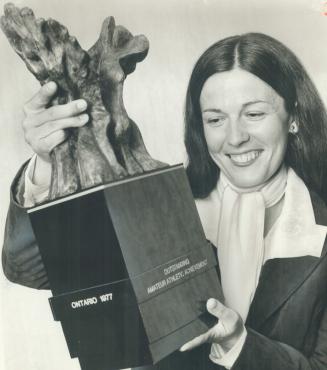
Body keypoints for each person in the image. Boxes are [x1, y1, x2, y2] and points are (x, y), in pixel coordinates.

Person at [2, 32, 327, 370]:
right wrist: (46, 161)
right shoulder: (157, 201)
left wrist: (237, 344)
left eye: (254, 114)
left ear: (294, 118)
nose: (235, 137)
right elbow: (26, 269)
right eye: (216, 119)